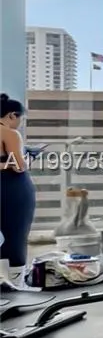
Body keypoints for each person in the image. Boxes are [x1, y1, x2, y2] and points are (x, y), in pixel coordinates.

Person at [0, 93, 38, 291]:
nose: (20, 124)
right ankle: (17, 283)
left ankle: (5, 280)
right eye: (20, 119)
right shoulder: (10, 134)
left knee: (9, 235)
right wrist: (31, 156)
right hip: (12, 189)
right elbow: (19, 166)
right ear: (11, 115)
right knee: (17, 235)